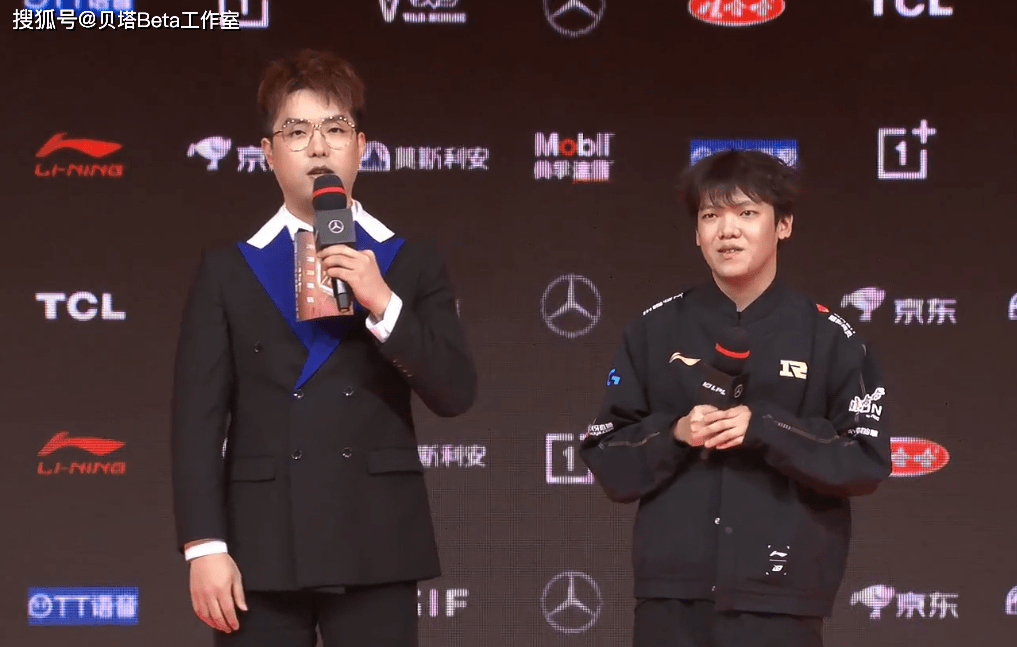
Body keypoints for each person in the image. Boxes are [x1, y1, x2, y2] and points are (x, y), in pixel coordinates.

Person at [171, 49, 477, 647]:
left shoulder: (409, 261)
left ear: (361, 147)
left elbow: (455, 392)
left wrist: (382, 302)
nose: (317, 147)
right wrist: (204, 546)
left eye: (335, 129)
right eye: (296, 131)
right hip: (259, 548)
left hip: (377, 540)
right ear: (268, 153)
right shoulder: (228, 270)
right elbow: (196, 421)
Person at [579, 149, 892, 647]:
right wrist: (675, 433)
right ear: (696, 233)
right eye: (711, 216)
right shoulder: (653, 330)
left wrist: (763, 426)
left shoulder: (831, 337)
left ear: (783, 225)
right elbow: (606, 454)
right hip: (671, 599)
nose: (727, 230)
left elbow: (865, 460)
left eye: (747, 213)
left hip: (782, 599)